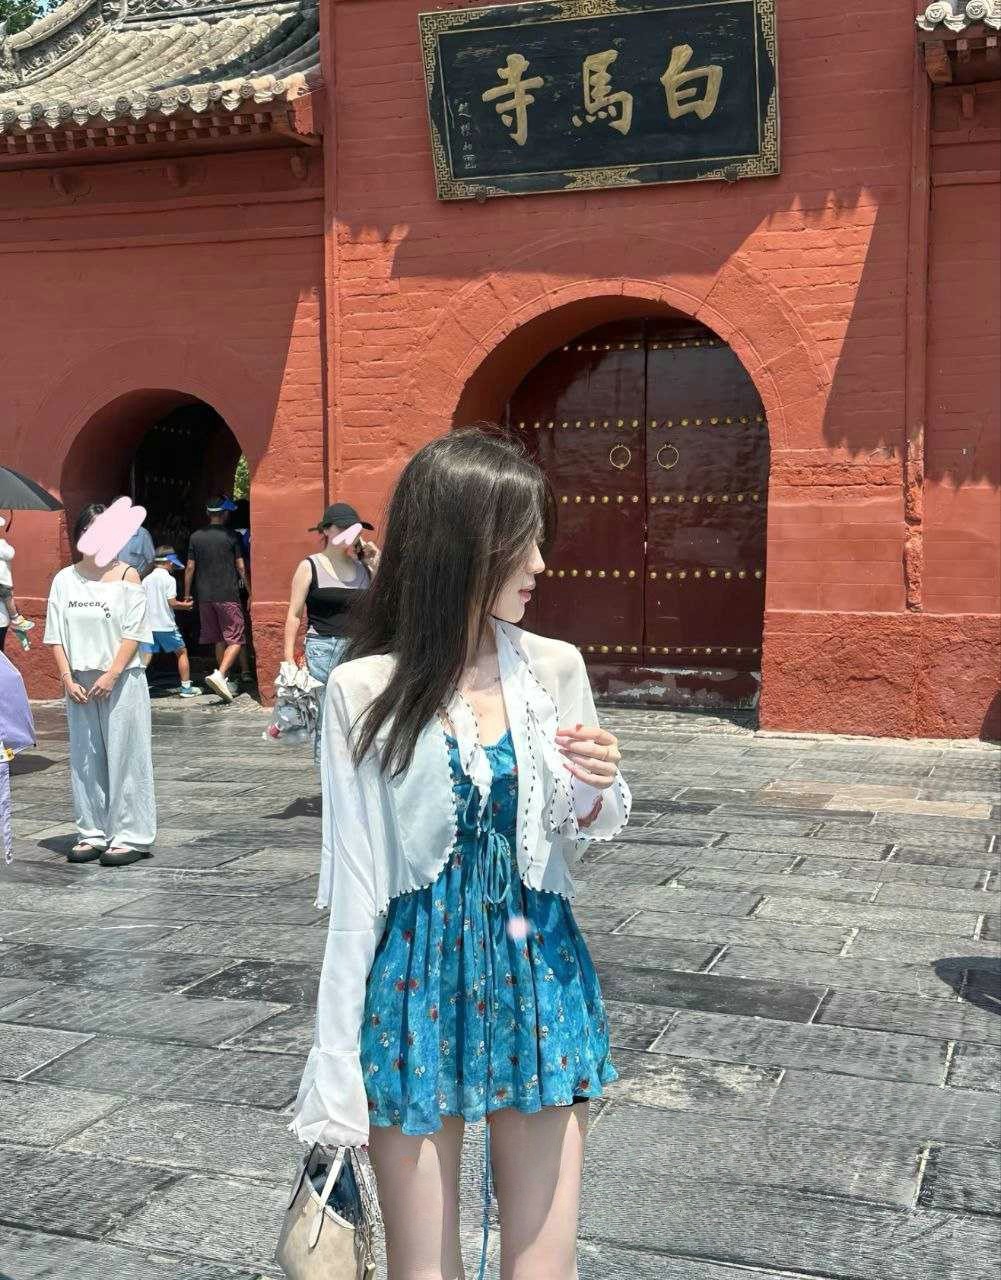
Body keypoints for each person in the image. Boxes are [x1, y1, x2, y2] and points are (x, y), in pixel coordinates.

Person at [290, 428, 631, 1280]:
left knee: (544, 1266)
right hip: (413, 982)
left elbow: (578, 829)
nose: (541, 563)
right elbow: (356, 887)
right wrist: (333, 1064)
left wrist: (595, 783)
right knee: (423, 1271)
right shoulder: (362, 688)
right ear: (459, 547)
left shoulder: (555, 668)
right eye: (523, 542)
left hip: (537, 967)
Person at [43, 502, 156, 867]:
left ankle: (130, 835)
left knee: (126, 755)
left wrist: (112, 674)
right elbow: (55, 635)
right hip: (78, 682)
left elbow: (135, 631)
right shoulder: (64, 579)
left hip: (122, 679)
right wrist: (67, 678)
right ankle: (91, 831)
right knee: (85, 758)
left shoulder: (127, 576)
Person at [282, 501, 380, 765]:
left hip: (359, 650)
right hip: (323, 649)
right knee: (328, 721)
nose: (349, 533)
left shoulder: (364, 569)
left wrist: (376, 563)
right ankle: (328, 781)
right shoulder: (310, 566)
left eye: (354, 528)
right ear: (326, 530)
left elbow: (384, 605)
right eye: (342, 527)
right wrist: (288, 658)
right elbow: (294, 614)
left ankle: (355, 777)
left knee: (361, 718)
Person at [183, 497, 248, 703]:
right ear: (225, 514)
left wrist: (187, 593)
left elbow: (190, 567)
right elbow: (240, 566)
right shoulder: (231, 536)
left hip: (204, 596)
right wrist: (250, 591)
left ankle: (224, 679)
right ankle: (220, 675)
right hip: (227, 594)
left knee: (219, 638)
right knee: (236, 638)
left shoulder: (195, 537)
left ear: (207, 513)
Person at [139, 547, 200, 698]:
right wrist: (185, 605)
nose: (173, 566)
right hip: (166, 625)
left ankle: (135, 688)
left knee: (145, 657)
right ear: (169, 562)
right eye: (172, 564)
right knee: (181, 652)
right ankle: (186, 688)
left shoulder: (146, 579)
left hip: (148, 625)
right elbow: (172, 602)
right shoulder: (169, 579)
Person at [0, 515, 36, 639]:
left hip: (2, 583)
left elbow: (10, 554)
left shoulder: (2, 544)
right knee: (7, 596)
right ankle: (15, 619)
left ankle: (15, 619)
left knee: (7, 596)